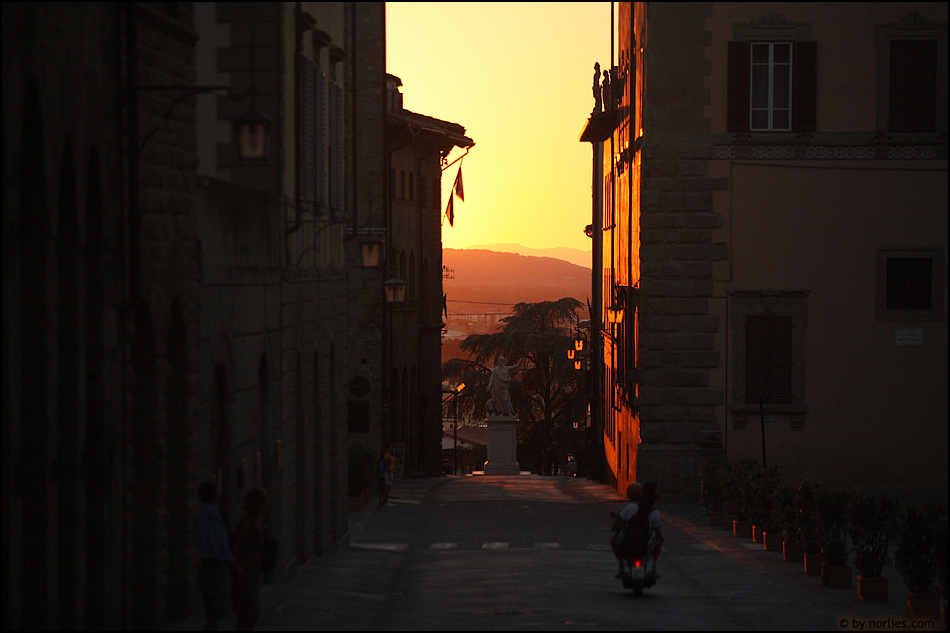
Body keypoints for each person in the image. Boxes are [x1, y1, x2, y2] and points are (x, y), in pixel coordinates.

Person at [194, 481, 235, 631]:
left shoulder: (200, 516)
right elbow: (220, 543)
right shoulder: (213, 514)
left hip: (205, 565)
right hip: (215, 567)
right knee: (216, 612)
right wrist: (232, 565)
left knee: (211, 612)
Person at [231, 487, 268, 631]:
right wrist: (237, 569)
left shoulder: (253, 523)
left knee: (250, 614)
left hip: (250, 574)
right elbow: (236, 547)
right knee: (249, 614)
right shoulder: (246, 523)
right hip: (245, 574)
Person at [611, 481, 664, 579]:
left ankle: (622, 563)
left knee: (614, 542)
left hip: (629, 540)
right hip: (646, 541)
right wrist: (659, 539)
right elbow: (658, 533)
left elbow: (619, 525)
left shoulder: (629, 507)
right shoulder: (653, 511)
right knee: (659, 543)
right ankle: (652, 562)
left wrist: (615, 529)